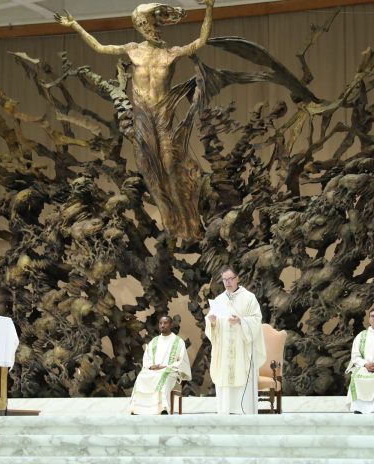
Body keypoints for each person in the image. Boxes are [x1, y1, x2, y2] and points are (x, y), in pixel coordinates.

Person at [55, 1, 215, 238]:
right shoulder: (132, 49)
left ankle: (189, 223)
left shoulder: (170, 53)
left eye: (149, 23)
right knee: (148, 167)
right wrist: (75, 25)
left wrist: (209, 8)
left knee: (171, 165)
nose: (147, 28)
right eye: (142, 24)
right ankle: (171, 224)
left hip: (162, 114)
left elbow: (201, 41)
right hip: (142, 115)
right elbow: (100, 47)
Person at [205, 266, 266, 414]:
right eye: (224, 279)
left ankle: (244, 410)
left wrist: (241, 321)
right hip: (224, 350)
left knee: (242, 376)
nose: (227, 282)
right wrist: (212, 322)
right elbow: (212, 327)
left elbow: (257, 319)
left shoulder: (249, 297)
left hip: (241, 349)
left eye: (230, 279)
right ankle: (225, 410)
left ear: (237, 278)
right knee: (225, 379)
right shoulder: (219, 300)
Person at [130, 315, 191, 415]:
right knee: (141, 377)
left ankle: (163, 408)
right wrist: (151, 366)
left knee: (162, 376)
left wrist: (167, 367)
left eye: (165, 323)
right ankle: (138, 408)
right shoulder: (154, 341)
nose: (162, 325)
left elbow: (182, 361)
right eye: (160, 323)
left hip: (170, 370)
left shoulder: (178, 341)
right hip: (154, 370)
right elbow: (147, 358)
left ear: (171, 325)